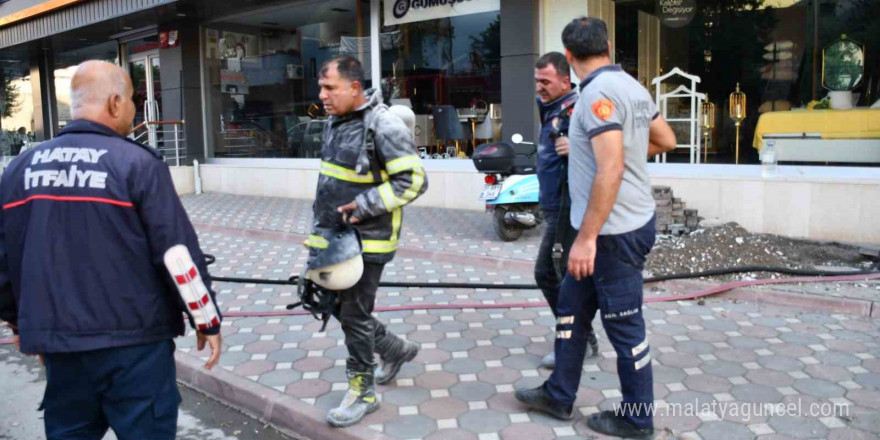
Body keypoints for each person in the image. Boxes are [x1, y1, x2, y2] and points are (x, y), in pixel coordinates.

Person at [0, 60, 222, 440]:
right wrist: (206, 320)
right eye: (135, 101)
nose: (136, 110)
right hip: (135, 348)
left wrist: (22, 323)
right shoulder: (137, 164)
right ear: (116, 103)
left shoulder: (20, 169)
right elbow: (176, 254)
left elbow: (5, 261)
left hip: (62, 349)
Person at [515, 17, 676, 439]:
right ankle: (559, 394)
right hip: (616, 226)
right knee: (571, 309)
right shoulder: (634, 88)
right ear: (608, 44)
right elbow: (667, 139)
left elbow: (612, 168)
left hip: (611, 234)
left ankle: (638, 420)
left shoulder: (596, 95)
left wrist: (585, 239)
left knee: (625, 327)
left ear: (568, 56)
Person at [308, 55, 428, 428]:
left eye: (330, 88)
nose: (322, 96)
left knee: (354, 315)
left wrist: (363, 206)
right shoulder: (336, 121)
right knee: (341, 309)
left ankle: (362, 390)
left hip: (368, 242)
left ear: (355, 88)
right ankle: (397, 350)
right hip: (335, 238)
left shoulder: (384, 125)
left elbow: (414, 181)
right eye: (321, 88)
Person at [533, 52, 599, 369]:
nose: (540, 87)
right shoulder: (551, 108)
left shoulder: (579, 108)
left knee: (549, 273)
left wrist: (578, 148)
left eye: (545, 81)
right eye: (537, 81)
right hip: (554, 206)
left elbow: (608, 153)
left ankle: (578, 340)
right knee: (563, 275)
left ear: (564, 79)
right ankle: (582, 338)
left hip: (566, 209)